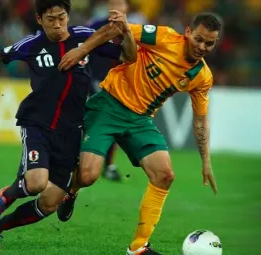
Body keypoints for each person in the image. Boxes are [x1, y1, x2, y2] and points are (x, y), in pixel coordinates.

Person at [0, 0, 137, 250]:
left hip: (72, 130)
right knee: (36, 183)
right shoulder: (32, 44)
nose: (57, 24)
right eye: (51, 19)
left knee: (50, 203)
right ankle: (8, 194)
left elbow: (128, 56)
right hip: (38, 124)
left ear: (68, 16)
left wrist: (126, 31)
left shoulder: (85, 37)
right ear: (40, 20)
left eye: (62, 17)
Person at [57, 13, 222, 255]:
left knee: (165, 175)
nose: (202, 47)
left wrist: (206, 161)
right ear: (188, 32)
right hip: (109, 106)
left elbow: (200, 120)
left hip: (141, 120)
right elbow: (116, 29)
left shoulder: (202, 76)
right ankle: (71, 191)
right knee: (89, 175)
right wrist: (82, 51)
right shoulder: (164, 37)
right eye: (199, 39)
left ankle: (137, 247)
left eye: (209, 43)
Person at [85, 0, 131, 182]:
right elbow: (84, 50)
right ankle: (85, 161)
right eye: (114, 4)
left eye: (121, 5)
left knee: (113, 124)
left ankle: (108, 165)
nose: (118, 8)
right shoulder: (96, 25)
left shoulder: (132, 30)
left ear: (127, 9)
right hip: (94, 80)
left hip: (119, 85)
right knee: (90, 121)